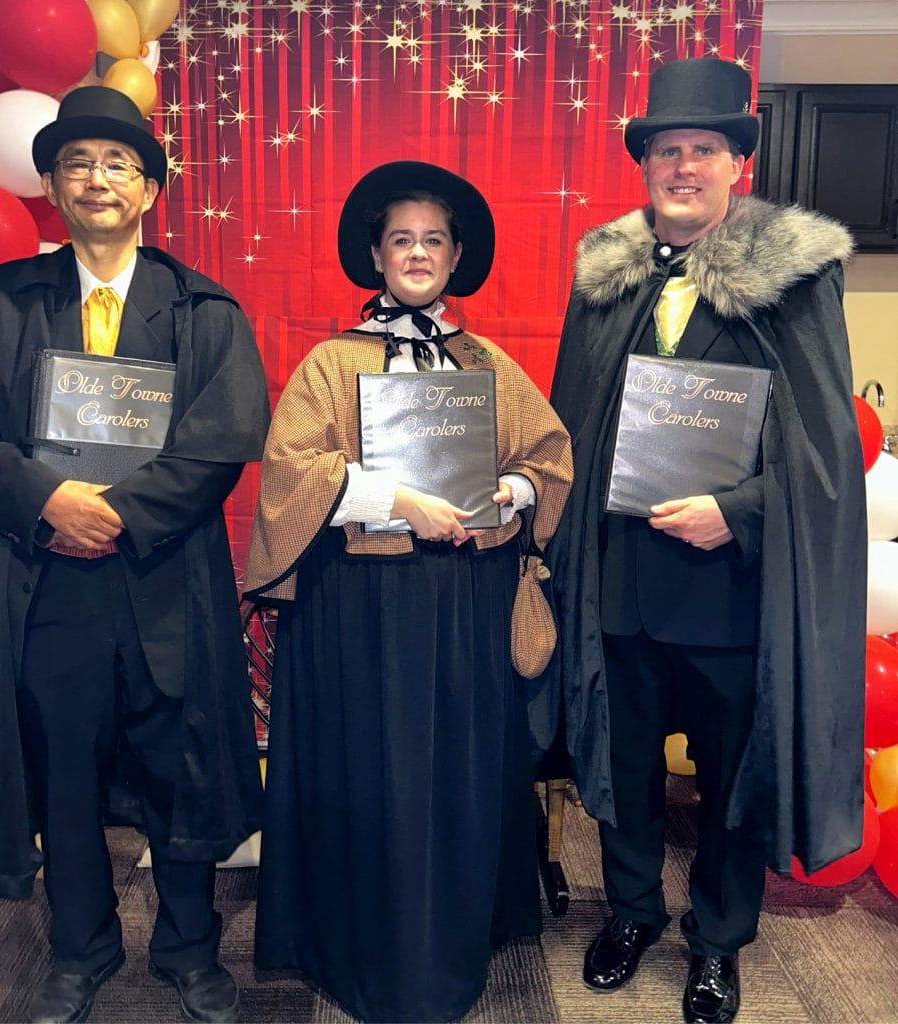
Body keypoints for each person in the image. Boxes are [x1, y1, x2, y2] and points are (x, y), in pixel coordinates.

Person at [0, 86, 270, 1024]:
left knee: (178, 765)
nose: (98, 178)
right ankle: (81, 948)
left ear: (149, 187)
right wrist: (50, 501)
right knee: (62, 767)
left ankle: (189, 950)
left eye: (118, 163)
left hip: (164, 579)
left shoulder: (200, 309)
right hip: (48, 584)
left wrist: (113, 512)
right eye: (78, 163)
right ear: (52, 186)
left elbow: (219, 440)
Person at [546, 57, 867, 1024]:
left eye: (702, 149)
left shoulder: (796, 283)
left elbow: (822, 452)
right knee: (624, 765)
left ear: (736, 162)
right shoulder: (606, 277)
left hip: (731, 588)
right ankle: (633, 912)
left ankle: (717, 942)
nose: (682, 165)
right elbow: (572, 420)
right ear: (644, 163)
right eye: (666, 150)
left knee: (730, 783)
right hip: (624, 581)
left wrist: (738, 510)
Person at [244, 161, 572, 1022]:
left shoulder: (487, 363)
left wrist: (507, 494)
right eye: (401, 239)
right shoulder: (329, 363)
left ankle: (454, 935)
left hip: (461, 607)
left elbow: (546, 460)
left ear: (457, 254)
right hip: (356, 610)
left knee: (451, 775)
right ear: (376, 255)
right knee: (369, 775)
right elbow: (292, 472)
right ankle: (358, 946)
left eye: (434, 239)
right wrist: (393, 500)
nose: (417, 253)